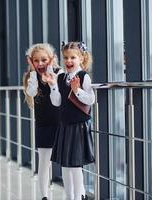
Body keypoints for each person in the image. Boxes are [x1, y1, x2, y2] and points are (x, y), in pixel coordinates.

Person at [42, 41, 95, 200]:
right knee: (65, 164)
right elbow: (57, 102)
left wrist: (77, 90)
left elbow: (90, 99)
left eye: (73, 57)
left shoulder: (84, 77)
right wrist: (52, 86)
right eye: (66, 57)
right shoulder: (61, 77)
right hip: (64, 125)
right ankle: (69, 196)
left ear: (81, 58)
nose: (69, 61)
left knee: (75, 165)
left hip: (78, 126)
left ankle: (79, 196)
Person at [23, 43, 63, 200]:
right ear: (31, 61)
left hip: (61, 124)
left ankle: (75, 194)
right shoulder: (32, 77)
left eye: (44, 60)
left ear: (51, 59)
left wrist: (52, 75)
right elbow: (31, 92)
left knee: (67, 162)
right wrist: (33, 73)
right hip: (43, 125)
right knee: (44, 163)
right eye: (36, 60)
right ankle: (44, 196)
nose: (40, 64)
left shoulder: (59, 74)